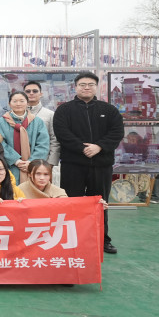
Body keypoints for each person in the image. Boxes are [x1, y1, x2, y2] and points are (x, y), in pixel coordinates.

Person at [53, 72, 123, 254]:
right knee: (71, 203)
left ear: (96, 87)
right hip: (73, 165)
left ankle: (102, 239)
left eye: (90, 84)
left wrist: (99, 146)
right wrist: (82, 148)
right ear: (75, 87)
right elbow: (62, 133)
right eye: (82, 84)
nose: (86, 87)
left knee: (100, 203)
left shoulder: (109, 110)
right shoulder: (64, 110)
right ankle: (70, 239)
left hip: (101, 165)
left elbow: (117, 132)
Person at [0, 91, 50, 184]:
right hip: (10, 166)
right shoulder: (1, 122)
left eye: (22, 101)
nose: (18, 104)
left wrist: (31, 162)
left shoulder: (37, 122)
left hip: (33, 167)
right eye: (15, 101)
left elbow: (43, 144)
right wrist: (16, 161)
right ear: (9, 104)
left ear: (27, 103)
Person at [23, 81, 61, 166]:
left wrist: (51, 163)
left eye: (35, 91)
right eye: (28, 91)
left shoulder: (50, 114)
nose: (31, 93)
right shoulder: (17, 114)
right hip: (21, 162)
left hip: (43, 162)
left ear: (41, 94)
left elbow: (55, 140)